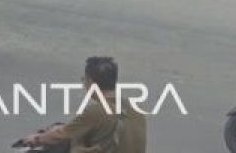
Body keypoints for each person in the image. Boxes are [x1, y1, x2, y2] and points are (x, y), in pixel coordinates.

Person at [19, 56, 147, 153]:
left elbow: (60, 135)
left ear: (91, 82)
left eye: (84, 80)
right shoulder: (136, 110)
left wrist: (36, 139)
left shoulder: (95, 111)